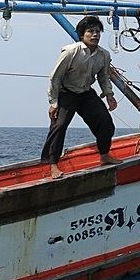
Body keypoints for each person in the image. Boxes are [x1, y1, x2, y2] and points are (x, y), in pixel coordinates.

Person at [40, 16, 119, 178]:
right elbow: (55, 77)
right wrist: (54, 102)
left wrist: (109, 95)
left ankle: (104, 155)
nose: (95, 35)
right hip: (66, 92)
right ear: (82, 34)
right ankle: (53, 164)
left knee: (105, 121)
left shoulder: (103, 55)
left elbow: (103, 77)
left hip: (86, 92)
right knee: (59, 125)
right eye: (90, 31)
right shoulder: (71, 52)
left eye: (97, 31)